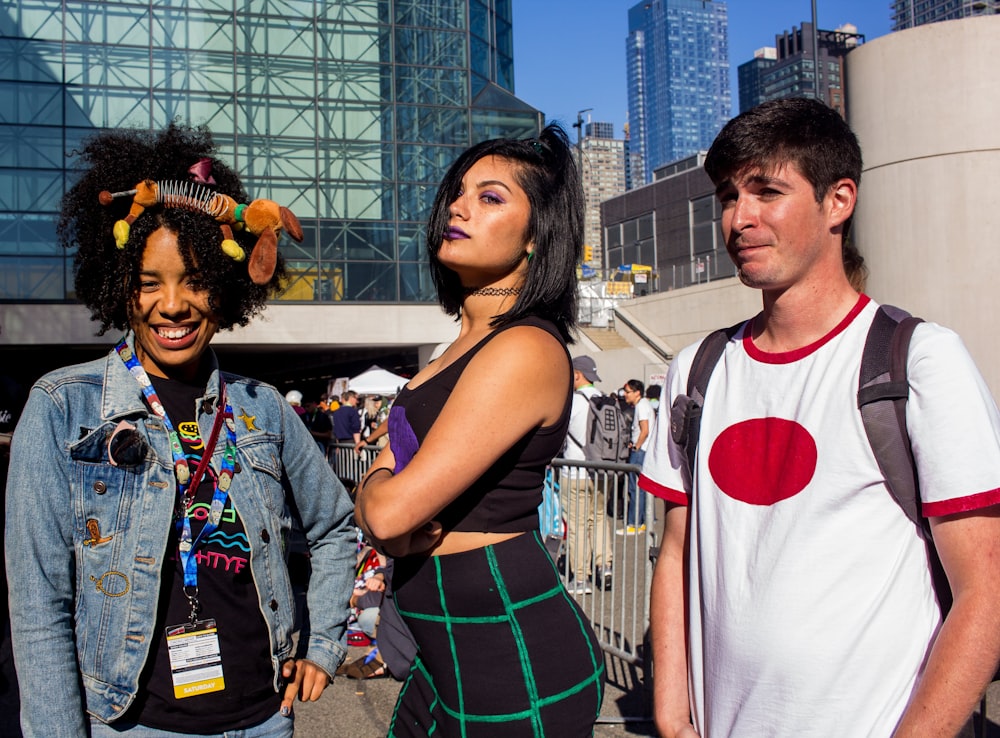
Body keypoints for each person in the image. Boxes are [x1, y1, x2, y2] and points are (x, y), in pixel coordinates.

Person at [640, 97, 1000, 737]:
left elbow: (987, 591)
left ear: (839, 201)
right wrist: (671, 714)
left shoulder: (917, 361)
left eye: (767, 191)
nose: (740, 218)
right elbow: (676, 551)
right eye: (728, 196)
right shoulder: (697, 370)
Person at [5, 124, 357, 738]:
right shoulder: (62, 406)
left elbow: (336, 525)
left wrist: (323, 644)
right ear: (122, 286)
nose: (173, 304)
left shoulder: (264, 407)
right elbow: (39, 607)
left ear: (223, 290)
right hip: (136, 725)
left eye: (195, 279)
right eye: (149, 282)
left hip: (264, 721)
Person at [354, 124, 605, 736]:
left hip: (511, 649)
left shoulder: (524, 347)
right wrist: (381, 495)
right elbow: (389, 507)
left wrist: (375, 488)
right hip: (443, 649)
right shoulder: (463, 345)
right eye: (458, 193)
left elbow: (388, 514)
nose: (458, 208)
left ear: (535, 238)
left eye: (491, 198)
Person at [561, 355, 613, 594]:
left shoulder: (572, 401)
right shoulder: (604, 399)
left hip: (576, 472)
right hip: (604, 472)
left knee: (578, 525)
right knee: (600, 519)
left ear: (578, 375)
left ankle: (581, 578)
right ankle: (605, 564)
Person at [619, 379, 651, 535]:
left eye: (628, 391)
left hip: (640, 451)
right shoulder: (644, 404)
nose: (625, 394)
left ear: (637, 392)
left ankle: (634, 523)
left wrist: (637, 446)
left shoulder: (641, 406)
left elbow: (645, 430)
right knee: (641, 489)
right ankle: (642, 521)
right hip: (643, 450)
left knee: (635, 488)